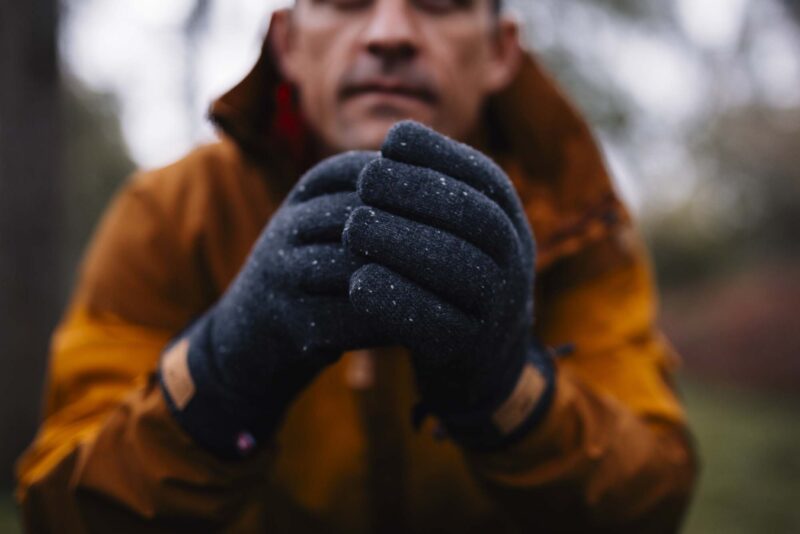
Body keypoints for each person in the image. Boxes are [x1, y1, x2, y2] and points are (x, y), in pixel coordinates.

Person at [16, 0, 697, 532]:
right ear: (288, 43)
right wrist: (221, 370)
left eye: (439, 2)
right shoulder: (170, 213)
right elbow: (59, 509)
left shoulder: (577, 220)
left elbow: (649, 501)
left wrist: (507, 391)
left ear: (499, 51)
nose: (389, 34)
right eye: (344, 2)